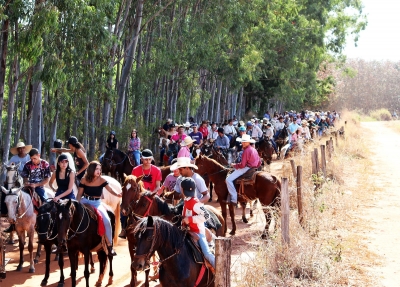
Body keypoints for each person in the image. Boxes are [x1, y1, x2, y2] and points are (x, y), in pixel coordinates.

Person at [77, 161, 122, 256]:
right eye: (96, 169)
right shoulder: (84, 179)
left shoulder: (101, 180)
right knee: (72, 215)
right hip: (84, 201)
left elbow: (110, 189)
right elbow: (79, 194)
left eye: (100, 169)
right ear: (91, 169)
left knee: (107, 221)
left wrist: (117, 194)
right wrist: (76, 204)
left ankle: (110, 246)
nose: (99, 171)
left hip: (97, 203)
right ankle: (66, 242)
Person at [181, 177, 215, 268]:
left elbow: (206, 215)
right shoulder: (186, 201)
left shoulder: (195, 202)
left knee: (206, 253)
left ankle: (219, 267)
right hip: (187, 231)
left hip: (198, 233)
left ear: (182, 189)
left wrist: (190, 219)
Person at [225, 135, 261, 204]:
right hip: (254, 168)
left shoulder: (246, 151)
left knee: (228, 179)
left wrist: (234, 165)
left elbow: (242, 165)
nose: (243, 143)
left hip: (247, 168)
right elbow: (259, 162)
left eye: (245, 142)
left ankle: (234, 198)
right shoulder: (254, 149)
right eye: (242, 142)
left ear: (248, 142)